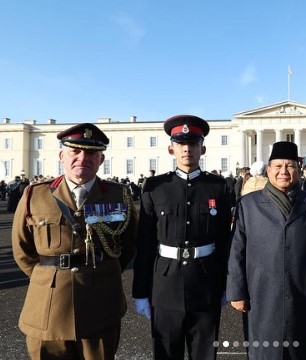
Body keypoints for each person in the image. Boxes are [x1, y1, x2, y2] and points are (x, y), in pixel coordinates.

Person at [11, 123, 138, 359]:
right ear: (62, 156)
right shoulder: (35, 194)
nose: (83, 158)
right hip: (48, 306)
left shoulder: (118, 195)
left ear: (101, 159)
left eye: (91, 153)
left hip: (100, 303)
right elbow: (22, 249)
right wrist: (49, 277)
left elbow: (129, 244)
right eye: (75, 151)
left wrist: (103, 271)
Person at [132, 115, 232, 360]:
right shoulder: (155, 187)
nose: (187, 149)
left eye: (194, 143)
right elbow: (144, 243)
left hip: (206, 280)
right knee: (166, 352)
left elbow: (225, 241)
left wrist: (227, 284)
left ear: (203, 148)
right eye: (180, 143)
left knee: (205, 352)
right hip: (165, 283)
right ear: (171, 148)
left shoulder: (217, 187)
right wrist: (141, 292)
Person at [226, 141, 306, 360]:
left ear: (298, 169)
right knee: (263, 351)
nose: (284, 171)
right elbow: (236, 250)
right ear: (268, 170)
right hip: (260, 295)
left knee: (299, 351)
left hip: (302, 294)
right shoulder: (249, 204)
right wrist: (236, 291)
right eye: (278, 166)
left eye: (290, 166)